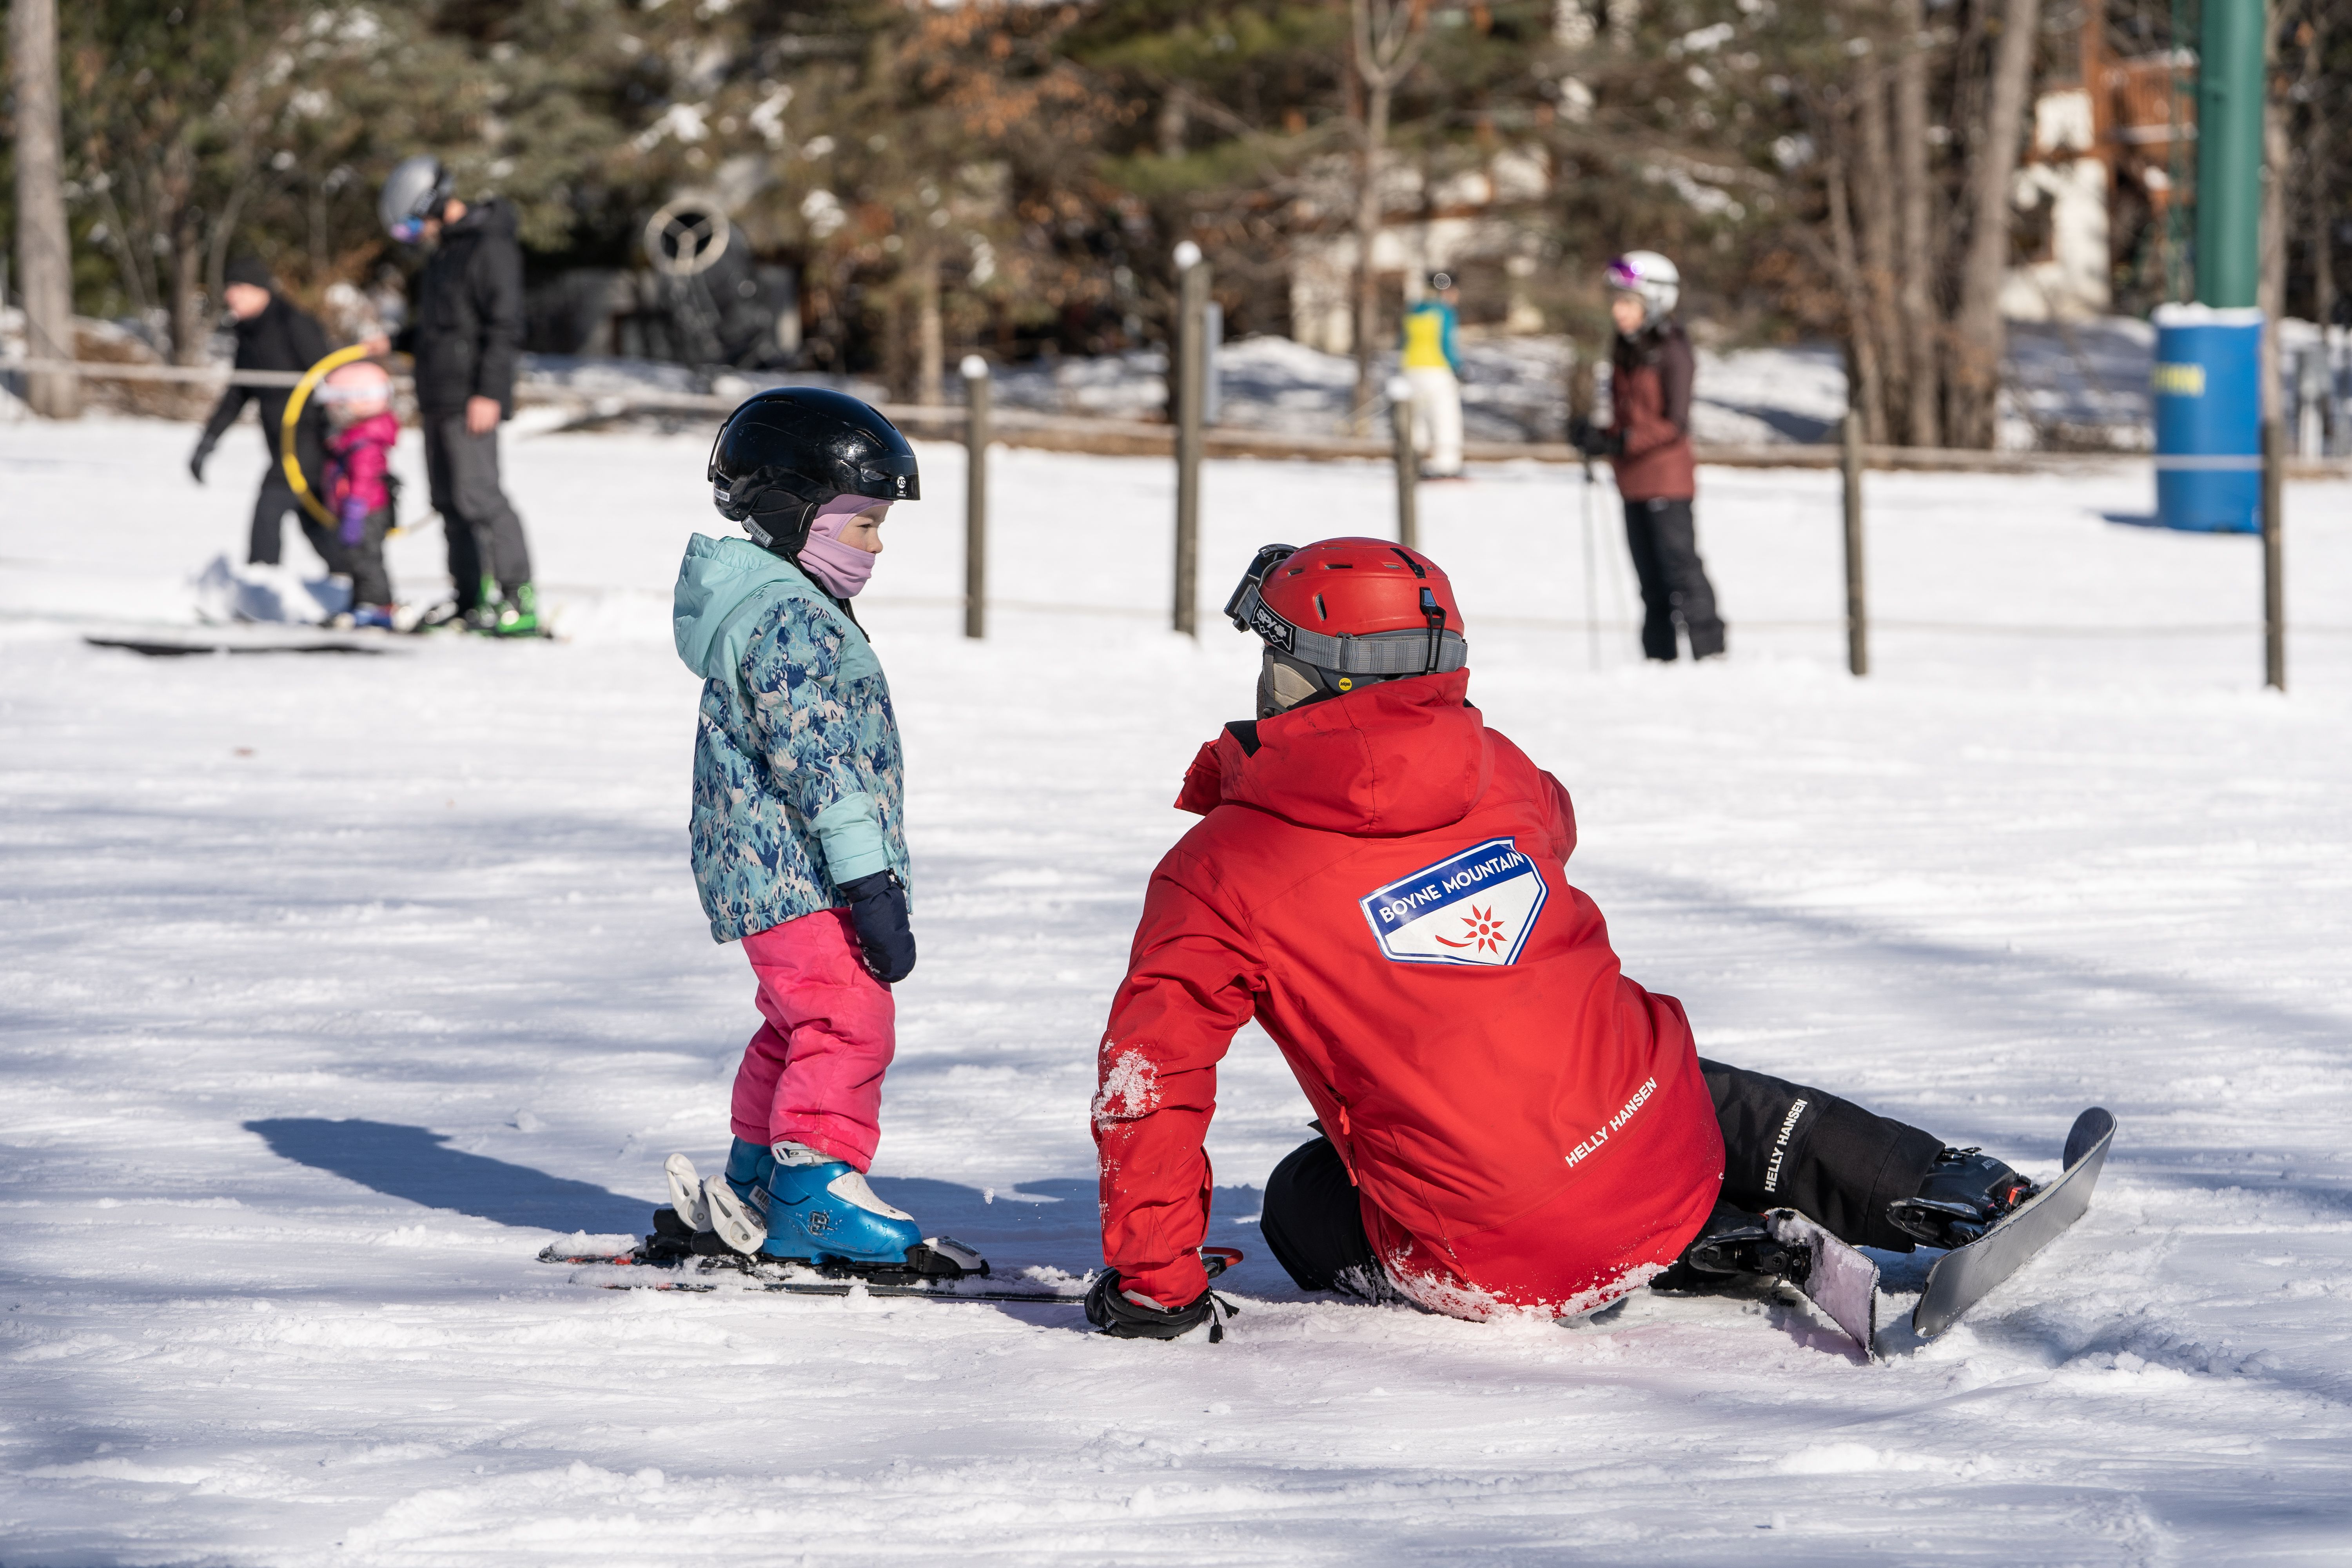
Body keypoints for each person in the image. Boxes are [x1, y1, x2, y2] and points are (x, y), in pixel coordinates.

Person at [1083, 539, 2037, 1340]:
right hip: (1658, 1142)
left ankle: (1704, 1248)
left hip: (1498, 1253)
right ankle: (1939, 1182)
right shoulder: (1497, 769)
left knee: (1302, 1198)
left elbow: (1150, 1080)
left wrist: (1155, 1285)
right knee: (1664, 1074)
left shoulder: (1220, 867)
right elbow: (1555, 824)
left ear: (1296, 675)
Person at [657, 388, 942, 1268]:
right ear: (792, 511)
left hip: (769, 869)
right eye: (861, 522)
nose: (877, 542)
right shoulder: (790, 618)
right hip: (800, 871)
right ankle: (815, 1188)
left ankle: (755, 1175)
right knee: (849, 1019)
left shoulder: (779, 601)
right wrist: (870, 882)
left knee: (795, 1023)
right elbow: (824, 768)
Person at [376, 154, 539, 637]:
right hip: (438, 394)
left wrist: (490, 392)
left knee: (481, 497)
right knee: (448, 501)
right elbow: (443, 327)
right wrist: (396, 342)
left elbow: (504, 326)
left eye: (413, 224)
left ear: (434, 204)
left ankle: (518, 598)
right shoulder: (445, 253)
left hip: (472, 396)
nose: (414, 235)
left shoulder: (491, 247)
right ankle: (469, 598)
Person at [1573, 251, 1726, 661]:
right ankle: (1659, 657)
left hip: (1666, 479)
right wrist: (1597, 436)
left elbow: (1674, 422)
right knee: (1648, 578)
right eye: (1616, 302)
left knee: (1681, 568)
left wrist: (1622, 441)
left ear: (1655, 301)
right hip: (1632, 481)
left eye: (1627, 303)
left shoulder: (1673, 350)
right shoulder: (1626, 348)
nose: (1617, 311)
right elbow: (1630, 418)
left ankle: (1710, 651)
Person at [188, 256, 343, 577]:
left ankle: (261, 581)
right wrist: (208, 440)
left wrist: (335, 429)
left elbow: (331, 375)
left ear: (262, 291)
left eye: (240, 289)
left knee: (270, 506)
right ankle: (353, 579)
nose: (232, 296)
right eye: (230, 289)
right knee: (313, 521)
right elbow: (238, 393)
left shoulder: (293, 323)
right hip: (279, 441)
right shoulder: (248, 331)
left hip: (308, 439)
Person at [317, 359, 401, 628]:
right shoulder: (352, 436)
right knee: (356, 560)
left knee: (368, 560)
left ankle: (379, 605)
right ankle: (362, 602)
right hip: (357, 509)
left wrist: (355, 508)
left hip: (367, 510)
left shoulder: (365, 441)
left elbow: (364, 478)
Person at [1399, 271, 1465, 479]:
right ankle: (1446, 466)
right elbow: (1446, 343)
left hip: (1411, 370)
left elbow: (1402, 342)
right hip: (1437, 371)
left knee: (1416, 419)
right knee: (1444, 417)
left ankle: (1412, 463)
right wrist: (1457, 368)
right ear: (1446, 290)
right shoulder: (1444, 312)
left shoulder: (1412, 310)